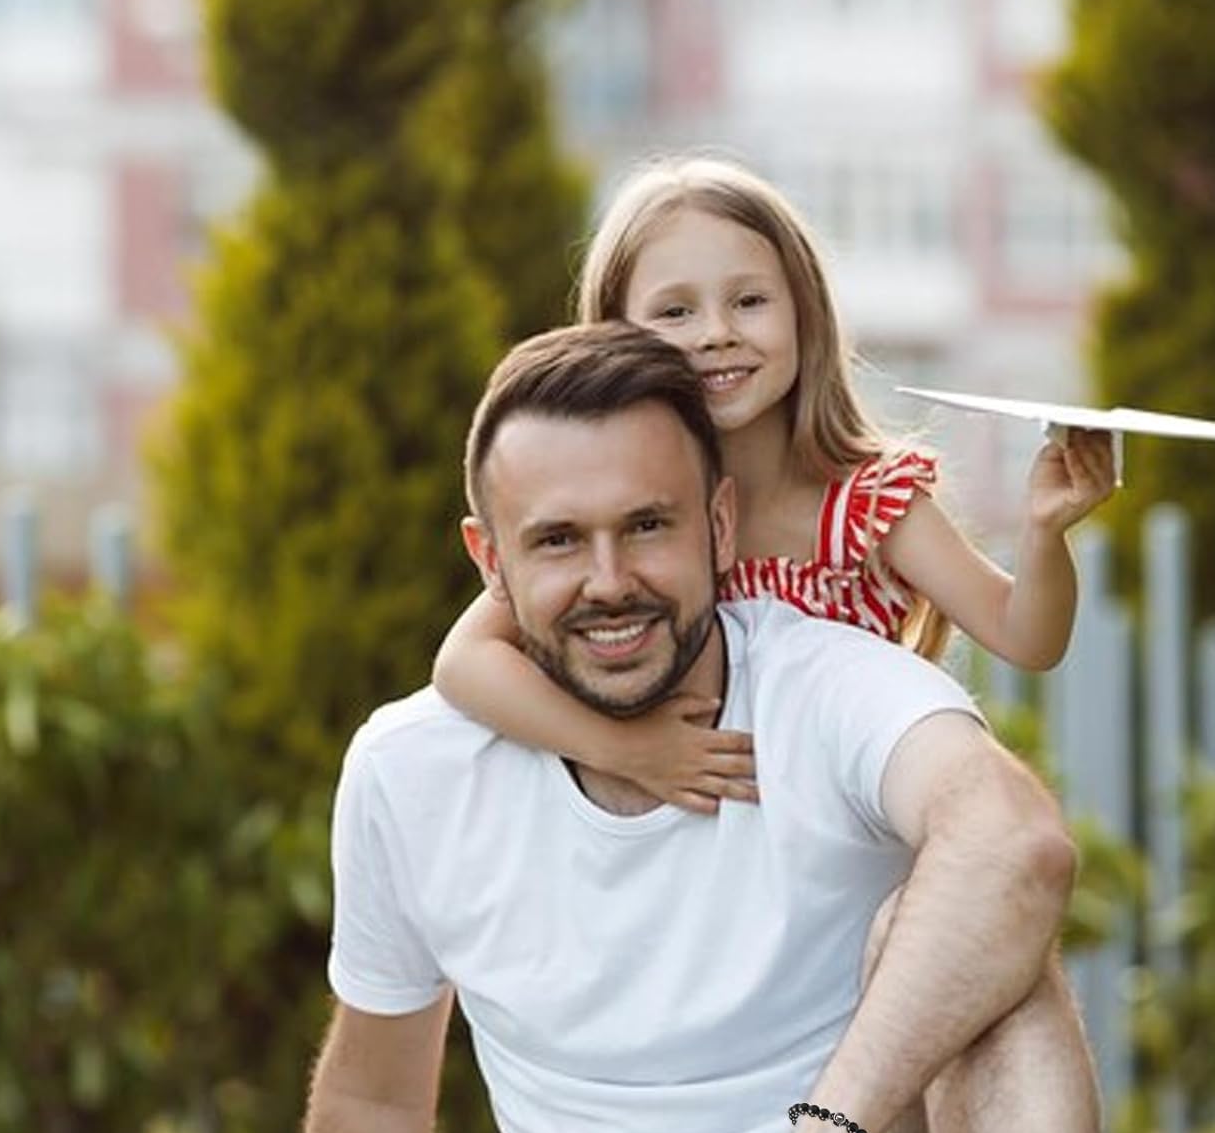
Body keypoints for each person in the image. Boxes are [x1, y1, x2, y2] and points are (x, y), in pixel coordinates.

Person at [240, 321, 1126, 1133]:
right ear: (490, 559)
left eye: (647, 526)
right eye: (558, 541)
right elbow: (378, 1101)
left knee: (964, 927)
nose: (609, 581)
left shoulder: (823, 681)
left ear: (718, 523)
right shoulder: (410, 768)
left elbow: (1018, 845)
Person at [431, 155, 1117, 816]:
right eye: (675, 313)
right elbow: (464, 664)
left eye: (750, 301)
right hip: (686, 849)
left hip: (840, 842)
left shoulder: (868, 505)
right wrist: (630, 751)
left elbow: (1027, 638)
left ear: (802, 314)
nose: (717, 334)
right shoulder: (621, 524)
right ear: (616, 336)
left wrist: (1044, 530)